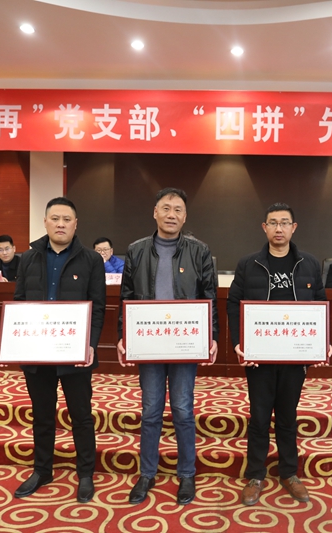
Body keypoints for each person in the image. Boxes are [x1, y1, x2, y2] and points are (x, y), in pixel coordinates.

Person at [116, 187, 219, 506]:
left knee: (183, 410)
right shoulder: (136, 250)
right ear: (155, 212)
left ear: (185, 217)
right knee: (150, 411)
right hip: (148, 342)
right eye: (165, 208)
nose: (171, 214)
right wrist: (123, 335)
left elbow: (209, 296)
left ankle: (186, 473)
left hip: (184, 343)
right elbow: (126, 296)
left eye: (177, 210)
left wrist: (212, 336)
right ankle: (147, 473)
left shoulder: (199, 251)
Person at [227, 202, 332, 506]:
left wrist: (322, 341)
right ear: (264, 227)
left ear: (293, 228)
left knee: (288, 416)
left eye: (284, 223)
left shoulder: (309, 263)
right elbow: (234, 303)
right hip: (259, 356)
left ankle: (289, 473)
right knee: (260, 417)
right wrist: (238, 342)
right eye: (273, 223)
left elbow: (320, 304)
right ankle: (256, 475)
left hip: (294, 355)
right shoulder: (248, 263)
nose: (278, 228)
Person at [12, 197, 106, 503]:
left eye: (67, 219)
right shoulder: (28, 258)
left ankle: (86, 473)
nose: (61, 224)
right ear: (45, 222)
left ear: (76, 224)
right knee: (42, 415)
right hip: (37, 352)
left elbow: (98, 307)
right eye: (55, 218)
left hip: (74, 353)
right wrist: (17, 343)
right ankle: (42, 470)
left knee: (81, 415)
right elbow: (20, 302)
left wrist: (90, 345)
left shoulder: (91, 260)